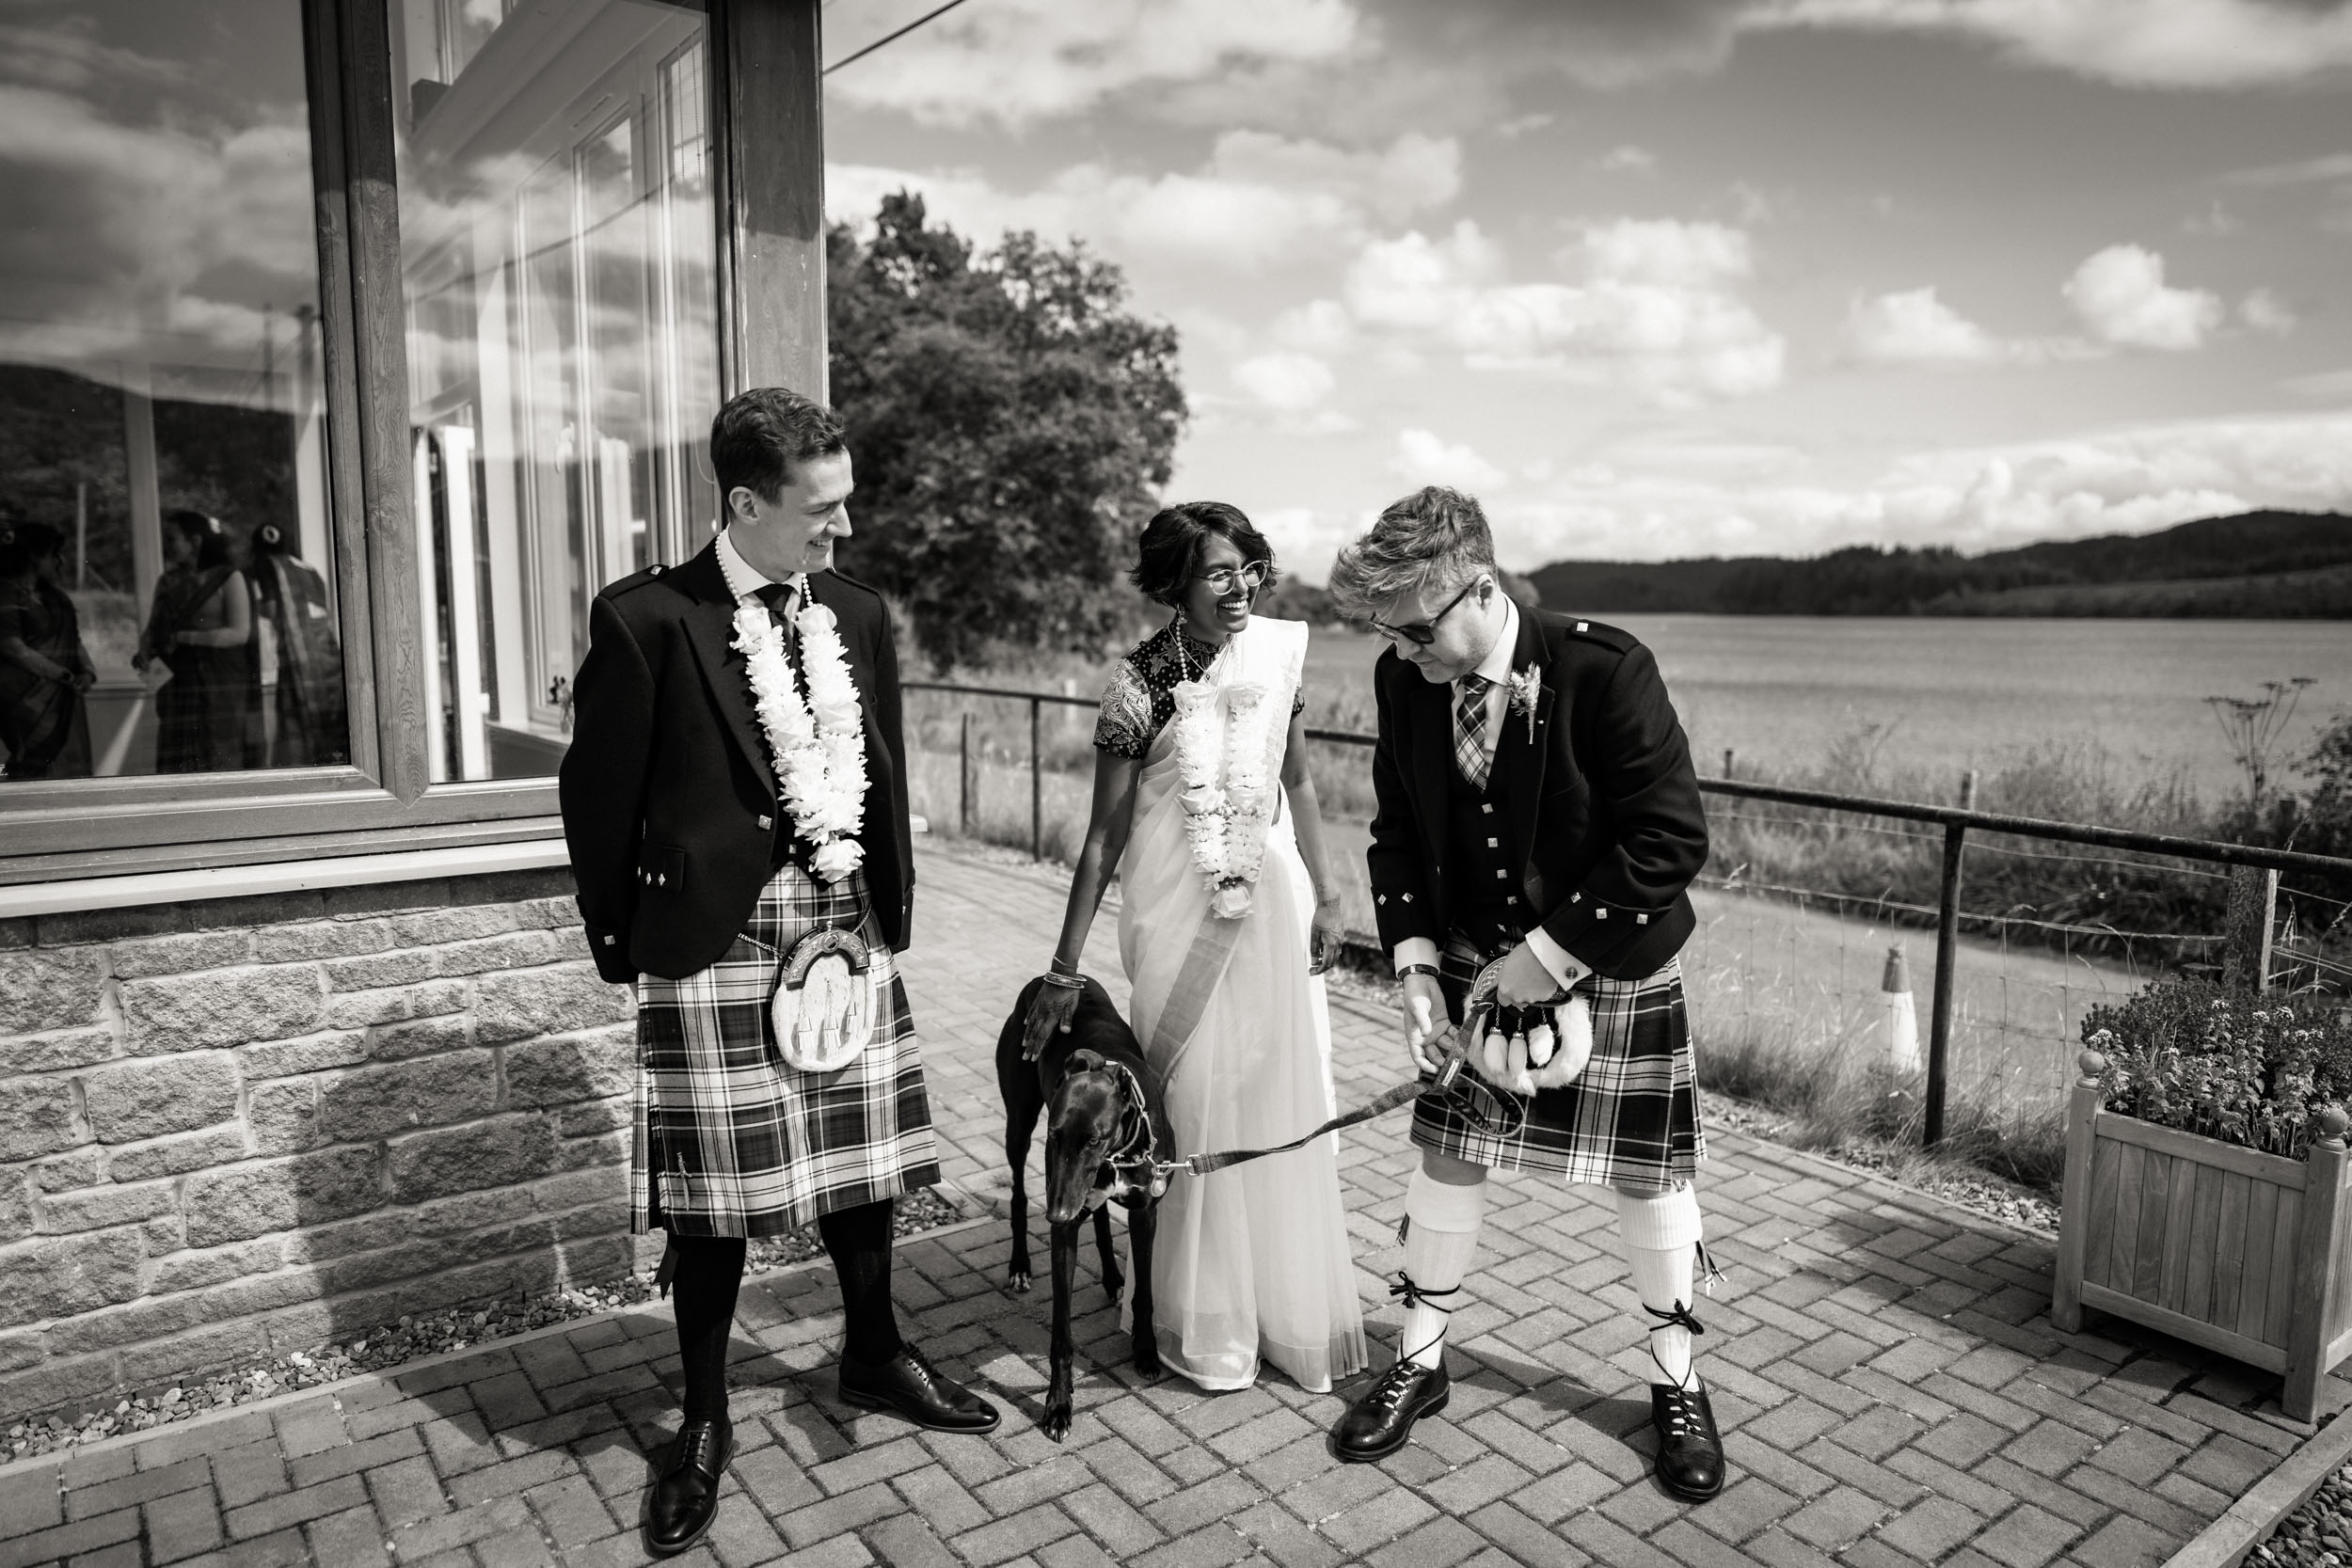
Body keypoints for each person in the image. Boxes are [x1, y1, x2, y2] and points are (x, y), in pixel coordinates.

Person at [559, 387, 996, 1560]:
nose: (841, 530)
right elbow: (595, 799)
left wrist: (888, 902)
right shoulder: (649, 618)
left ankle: (871, 1349)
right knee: (713, 1192)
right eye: (821, 508)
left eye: (846, 504)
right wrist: (623, 940)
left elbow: (885, 766)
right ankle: (701, 1416)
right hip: (710, 935)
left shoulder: (857, 610)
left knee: (863, 1164)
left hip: (838, 917)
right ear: (745, 502)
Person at [1324, 486, 1724, 1501]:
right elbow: (1399, 833)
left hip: (1609, 959)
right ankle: (1418, 1358)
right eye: (1388, 630)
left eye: (1418, 627)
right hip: (1469, 958)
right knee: (1446, 1154)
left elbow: (1669, 840)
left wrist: (1547, 957)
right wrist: (1414, 967)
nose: (1405, 648)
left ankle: (1677, 1379)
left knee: (1648, 1173)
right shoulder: (1402, 675)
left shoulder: (1603, 668)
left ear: (1481, 585)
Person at [1024, 502, 1368, 1395]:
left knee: (1270, 1100)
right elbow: (1102, 837)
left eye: (1249, 566)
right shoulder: (1137, 684)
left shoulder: (1276, 660)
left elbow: (1299, 781)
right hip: (1179, 922)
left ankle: (1283, 1313)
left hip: (1274, 913)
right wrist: (1064, 968)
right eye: (1219, 571)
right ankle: (1208, 1318)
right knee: (1196, 1102)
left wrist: (1330, 897)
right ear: (1175, 581)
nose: (1241, 587)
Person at [136, 509, 258, 773]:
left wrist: (187, 637)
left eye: (172, 539)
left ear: (195, 541)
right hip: (178, 681)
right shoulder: (168, 581)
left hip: (218, 684)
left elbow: (240, 632)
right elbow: (154, 626)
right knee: (177, 757)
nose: (167, 546)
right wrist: (144, 650)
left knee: (217, 753)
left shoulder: (229, 577)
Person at [246, 521, 348, 766]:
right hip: (327, 659)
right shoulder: (310, 571)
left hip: (290, 661)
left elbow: (270, 609)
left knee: (292, 733)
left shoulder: (264, 567)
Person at [0, 521, 95, 781]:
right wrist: (62, 674)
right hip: (26, 700)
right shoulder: (6, 594)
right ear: (34, 556)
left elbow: (73, 641)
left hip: (62, 697)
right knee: (30, 766)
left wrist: (87, 671)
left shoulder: (57, 598)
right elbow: (12, 647)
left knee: (66, 771)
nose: (60, 562)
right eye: (54, 554)